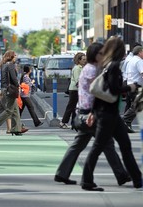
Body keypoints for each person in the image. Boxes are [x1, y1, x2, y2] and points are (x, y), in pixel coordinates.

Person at [54, 42, 130, 186]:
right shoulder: (93, 70)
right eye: (101, 53)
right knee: (107, 144)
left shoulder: (89, 68)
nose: (104, 55)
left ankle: (62, 174)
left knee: (78, 145)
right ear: (95, 55)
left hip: (83, 113)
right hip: (90, 114)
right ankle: (121, 175)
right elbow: (97, 93)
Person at [81, 36, 142, 191]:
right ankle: (86, 180)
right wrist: (131, 87)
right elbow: (114, 90)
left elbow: (99, 92)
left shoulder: (105, 65)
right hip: (108, 115)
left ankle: (137, 179)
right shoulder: (114, 66)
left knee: (124, 145)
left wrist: (93, 112)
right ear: (120, 50)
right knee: (99, 147)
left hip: (108, 114)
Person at [0, 50, 28, 136]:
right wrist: (18, 85)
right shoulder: (10, 65)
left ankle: (16, 129)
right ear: (11, 57)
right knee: (9, 111)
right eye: (15, 56)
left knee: (15, 110)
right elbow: (14, 78)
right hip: (10, 90)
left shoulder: (3, 65)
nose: (16, 57)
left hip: (4, 89)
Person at [60, 52, 86, 129]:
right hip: (75, 89)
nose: (85, 61)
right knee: (71, 106)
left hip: (76, 89)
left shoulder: (81, 67)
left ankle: (74, 123)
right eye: (83, 59)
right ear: (79, 60)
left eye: (85, 59)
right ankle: (63, 122)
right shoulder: (77, 68)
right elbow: (78, 80)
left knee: (75, 107)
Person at [122, 45, 143, 133]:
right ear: (139, 52)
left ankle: (126, 123)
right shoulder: (139, 61)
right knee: (136, 106)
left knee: (135, 105)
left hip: (130, 85)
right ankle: (124, 120)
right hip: (137, 86)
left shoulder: (130, 60)